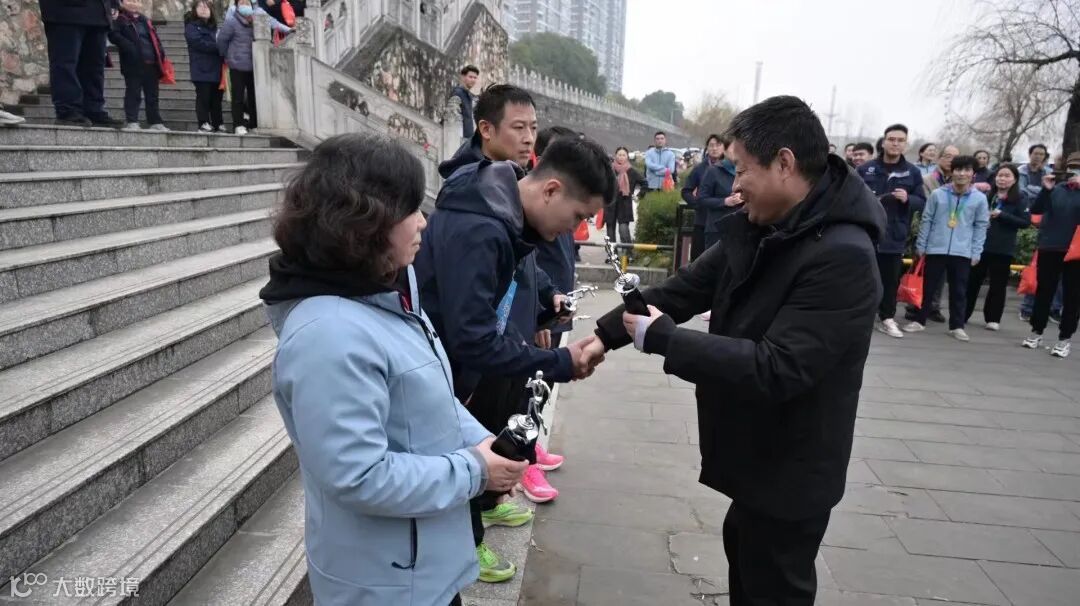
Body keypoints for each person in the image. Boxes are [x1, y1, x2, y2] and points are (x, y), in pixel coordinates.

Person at [579, 96, 885, 605]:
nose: (734, 186)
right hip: (755, 455)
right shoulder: (767, 224)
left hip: (790, 468)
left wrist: (664, 339)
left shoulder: (843, 257)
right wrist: (603, 336)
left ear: (784, 163)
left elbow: (778, 367)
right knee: (743, 551)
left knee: (772, 583)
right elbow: (684, 289)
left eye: (742, 170)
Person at [260, 133, 528, 606]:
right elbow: (358, 474)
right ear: (364, 222)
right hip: (386, 584)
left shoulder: (384, 295)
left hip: (420, 566)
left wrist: (482, 442)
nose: (423, 221)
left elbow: (430, 396)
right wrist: (474, 471)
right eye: (409, 209)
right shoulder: (329, 335)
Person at [414, 84, 610, 583]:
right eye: (578, 217)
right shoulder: (480, 227)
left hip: (467, 368)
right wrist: (561, 363)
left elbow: (516, 282)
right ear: (551, 190)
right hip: (446, 372)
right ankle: (462, 549)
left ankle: (468, 534)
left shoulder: (504, 208)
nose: (575, 229)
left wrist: (545, 304)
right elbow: (473, 338)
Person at [904, 155, 990, 341]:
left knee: (959, 290)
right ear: (952, 172)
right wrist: (922, 244)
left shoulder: (979, 199)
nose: (962, 174)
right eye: (958, 169)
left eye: (966, 170)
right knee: (928, 287)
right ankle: (919, 320)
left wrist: (976, 251)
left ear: (973, 174)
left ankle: (957, 326)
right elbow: (927, 219)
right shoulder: (938, 194)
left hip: (963, 251)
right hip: (936, 248)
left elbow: (981, 225)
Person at [858, 124, 926, 339]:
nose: (895, 143)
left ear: (906, 144)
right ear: (884, 141)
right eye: (891, 139)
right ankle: (859, 316)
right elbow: (851, 195)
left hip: (894, 235)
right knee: (861, 278)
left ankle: (887, 317)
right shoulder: (866, 169)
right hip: (867, 234)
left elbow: (921, 201)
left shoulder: (912, 172)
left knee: (890, 280)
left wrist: (908, 199)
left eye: (900, 140)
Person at [1022, 152, 1080, 358]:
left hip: (1076, 251)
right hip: (1051, 247)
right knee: (1044, 292)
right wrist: (1046, 190)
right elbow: (1036, 210)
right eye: (1072, 167)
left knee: (1072, 296)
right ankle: (1036, 331)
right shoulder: (1056, 189)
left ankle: (1065, 338)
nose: (1075, 171)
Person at [38, 0, 124, 127]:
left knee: (94, 67)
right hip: (65, 12)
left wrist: (113, 3)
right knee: (65, 64)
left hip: (99, 13)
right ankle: (68, 111)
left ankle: (93, 110)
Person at [965, 164, 1030, 330]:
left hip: (1003, 247)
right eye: (1000, 175)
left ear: (1015, 179)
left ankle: (993, 318)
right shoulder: (987, 195)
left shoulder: (1020, 198)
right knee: (972, 281)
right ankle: (963, 314)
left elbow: (1025, 222)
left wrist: (1002, 215)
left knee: (998, 284)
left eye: (1007, 176)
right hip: (980, 245)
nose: (1002, 179)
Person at [1017, 143, 1062, 322]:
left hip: (1059, 227)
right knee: (1038, 268)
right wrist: (1044, 189)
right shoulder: (1023, 171)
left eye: (1041, 154)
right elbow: (1023, 192)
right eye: (1035, 153)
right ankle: (1028, 308)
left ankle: (1054, 308)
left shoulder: (1051, 175)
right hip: (1039, 221)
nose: (1038, 156)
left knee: (1060, 274)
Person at [108, 0, 168, 131]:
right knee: (133, 93)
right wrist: (129, 47)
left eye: (137, 0)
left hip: (151, 62)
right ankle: (132, 121)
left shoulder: (145, 20)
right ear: (122, 3)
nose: (134, 3)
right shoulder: (120, 19)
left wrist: (161, 52)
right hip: (133, 63)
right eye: (130, 0)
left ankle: (155, 121)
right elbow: (113, 35)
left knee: (152, 95)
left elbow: (155, 38)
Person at [681, 134, 726, 259]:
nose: (714, 148)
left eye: (718, 145)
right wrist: (698, 204)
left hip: (722, 220)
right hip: (702, 221)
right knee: (698, 258)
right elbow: (686, 191)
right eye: (711, 145)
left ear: (724, 147)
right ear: (707, 148)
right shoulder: (700, 169)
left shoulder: (730, 168)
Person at [218, 0, 259, 135]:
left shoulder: (256, 21)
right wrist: (227, 56)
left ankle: (254, 124)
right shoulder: (231, 22)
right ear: (236, 6)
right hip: (237, 65)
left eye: (247, 3)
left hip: (254, 65)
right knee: (238, 97)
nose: (245, 5)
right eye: (242, 2)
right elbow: (221, 40)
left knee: (254, 97)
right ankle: (238, 124)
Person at [184, 0, 225, 133]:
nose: (203, 8)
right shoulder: (191, 27)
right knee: (203, 97)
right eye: (200, 6)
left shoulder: (215, 28)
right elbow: (199, 43)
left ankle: (218, 123)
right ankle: (203, 122)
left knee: (217, 99)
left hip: (216, 67)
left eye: (206, 7)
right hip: (201, 68)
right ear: (194, 10)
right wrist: (218, 47)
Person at [697, 135, 740, 250]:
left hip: (739, 229)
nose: (737, 152)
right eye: (734, 148)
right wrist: (725, 201)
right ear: (724, 151)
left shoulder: (745, 170)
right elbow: (702, 198)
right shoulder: (713, 171)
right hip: (716, 229)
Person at [609, 146, 643, 245]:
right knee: (610, 230)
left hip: (624, 202)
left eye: (623, 155)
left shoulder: (631, 171)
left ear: (627, 156)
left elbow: (644, 182)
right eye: (619, 155)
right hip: (610, 202)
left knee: (623, 229)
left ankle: (628, 251)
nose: (621, 157)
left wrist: (638, 195)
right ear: (615, 156)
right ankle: (611, 252)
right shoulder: (609, 169)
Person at [451, 65, 480, 140]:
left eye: (475, 78)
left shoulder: (468, 95)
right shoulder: (458, 93)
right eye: (470, 77)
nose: (473, 80)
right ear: (463, 77)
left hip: (467, 138)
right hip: (459, 137)